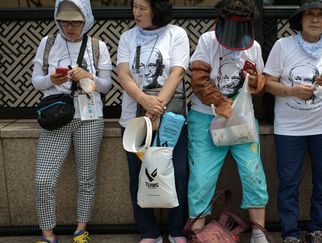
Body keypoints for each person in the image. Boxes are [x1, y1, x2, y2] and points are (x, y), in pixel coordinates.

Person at [264, 0, 322, 242]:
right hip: (289, 128)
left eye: (320, 16)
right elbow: (267, 82)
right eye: (309, 15)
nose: (315, 19)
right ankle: (289, 233)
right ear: (300, 20)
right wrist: (291, 91)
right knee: (289, 182)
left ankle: (317, 229)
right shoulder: (283, 45)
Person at [187, 0, 271, 242]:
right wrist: (221, 102)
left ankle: (258, 231)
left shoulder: (253, 46)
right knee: (202, 176)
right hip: (205, 116)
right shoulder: (207, 40)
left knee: (252, 171)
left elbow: (260, 84)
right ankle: (197, 232)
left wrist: (255, 80)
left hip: (242, 118)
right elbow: (198, 78)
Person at [32, 0, 112, 242]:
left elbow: (107, 86)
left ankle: (80, 229)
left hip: (90, 118)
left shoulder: (98, 45)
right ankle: (48, 234)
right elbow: (36, 80)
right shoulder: (47, 43)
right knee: (43, 179)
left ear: (86, 19)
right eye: (64, 20)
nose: (69, 27)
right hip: (56, 118)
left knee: (86, 177)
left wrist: (89, 75)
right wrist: (51, 80)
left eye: (75, 21)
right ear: (57, 18)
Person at [116, 0, 190, 242]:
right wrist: (143, 100)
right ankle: (148, 232)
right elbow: (123, 73)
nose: (136, 12)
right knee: (138, 176)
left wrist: (155, 107)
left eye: (142, 8)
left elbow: (177, 72)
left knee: (178, 172)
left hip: (171, 119)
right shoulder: (128, 37)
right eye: (134, 6)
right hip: (134, 119)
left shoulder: (176, 34)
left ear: (157, 9)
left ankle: (176, 229)